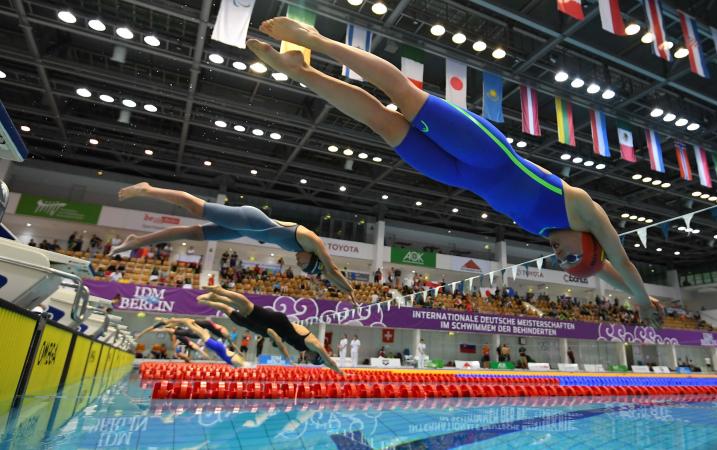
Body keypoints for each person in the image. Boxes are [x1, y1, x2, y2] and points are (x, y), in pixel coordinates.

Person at [246, 17, 661, 311]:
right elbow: (617, 262)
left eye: (562, 265)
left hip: (459, 175)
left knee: (382, 122)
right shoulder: (580, 206)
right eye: (569, 258)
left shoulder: (549, 229)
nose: (558, 258)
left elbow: (599, 268)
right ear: (588, 244)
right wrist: (642, 302)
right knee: (402, 93)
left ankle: (301, 72)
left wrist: (629, 290)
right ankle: (316, 40)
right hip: (485, 152)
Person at [111, 182, 356, 301]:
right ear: (311, 258)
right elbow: (331, 268)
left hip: (244, 231)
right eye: (303, 265)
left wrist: (346, 292)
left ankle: (136, 241)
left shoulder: (304, 252)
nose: (298, 263)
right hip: (249, 219)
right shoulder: (310, 240)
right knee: (197, 208)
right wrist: (352, 290)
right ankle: (148, 189)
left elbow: (327, 274)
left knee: (192, 233)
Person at [196, 286, 345, 375]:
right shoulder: (313, 343)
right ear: (316, 355)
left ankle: (216, 296)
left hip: (278, 325)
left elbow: (284, 344)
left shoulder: (306, 348)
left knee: (244, 310)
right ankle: (220, 291)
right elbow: (329, 360)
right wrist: (340, 372)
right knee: (248, 307)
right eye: (312, 359)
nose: (308, 360)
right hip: (277, 323)